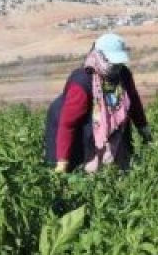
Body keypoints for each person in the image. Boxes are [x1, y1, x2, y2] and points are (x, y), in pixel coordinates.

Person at [44, 32, 151, 174]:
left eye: (119, 64)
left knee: (119, 165)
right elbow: (68, 125)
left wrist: (144, 128)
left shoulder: (123, 74)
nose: (117, 67)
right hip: (73, 126)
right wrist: (62, 162)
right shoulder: (82, 83)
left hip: (104, 125)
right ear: (99, 56)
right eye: (113, 63)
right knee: (79, 169)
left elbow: (133, 101)